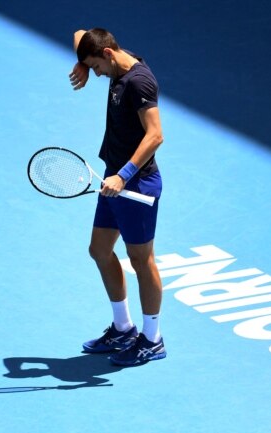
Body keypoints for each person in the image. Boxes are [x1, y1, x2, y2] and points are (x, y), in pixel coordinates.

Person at [68, 28, 166, 366]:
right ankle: (123, 328)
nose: (95, 74)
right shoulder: (115, 62)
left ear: (109, 54)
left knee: (141, 261)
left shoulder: (139, 83)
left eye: (96, 67)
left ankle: (152, 339)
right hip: (113, 180)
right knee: (99, 250)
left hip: (135, 185)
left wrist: (123, 177)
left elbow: (155, 136)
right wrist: (80, 61)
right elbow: (80, 32)